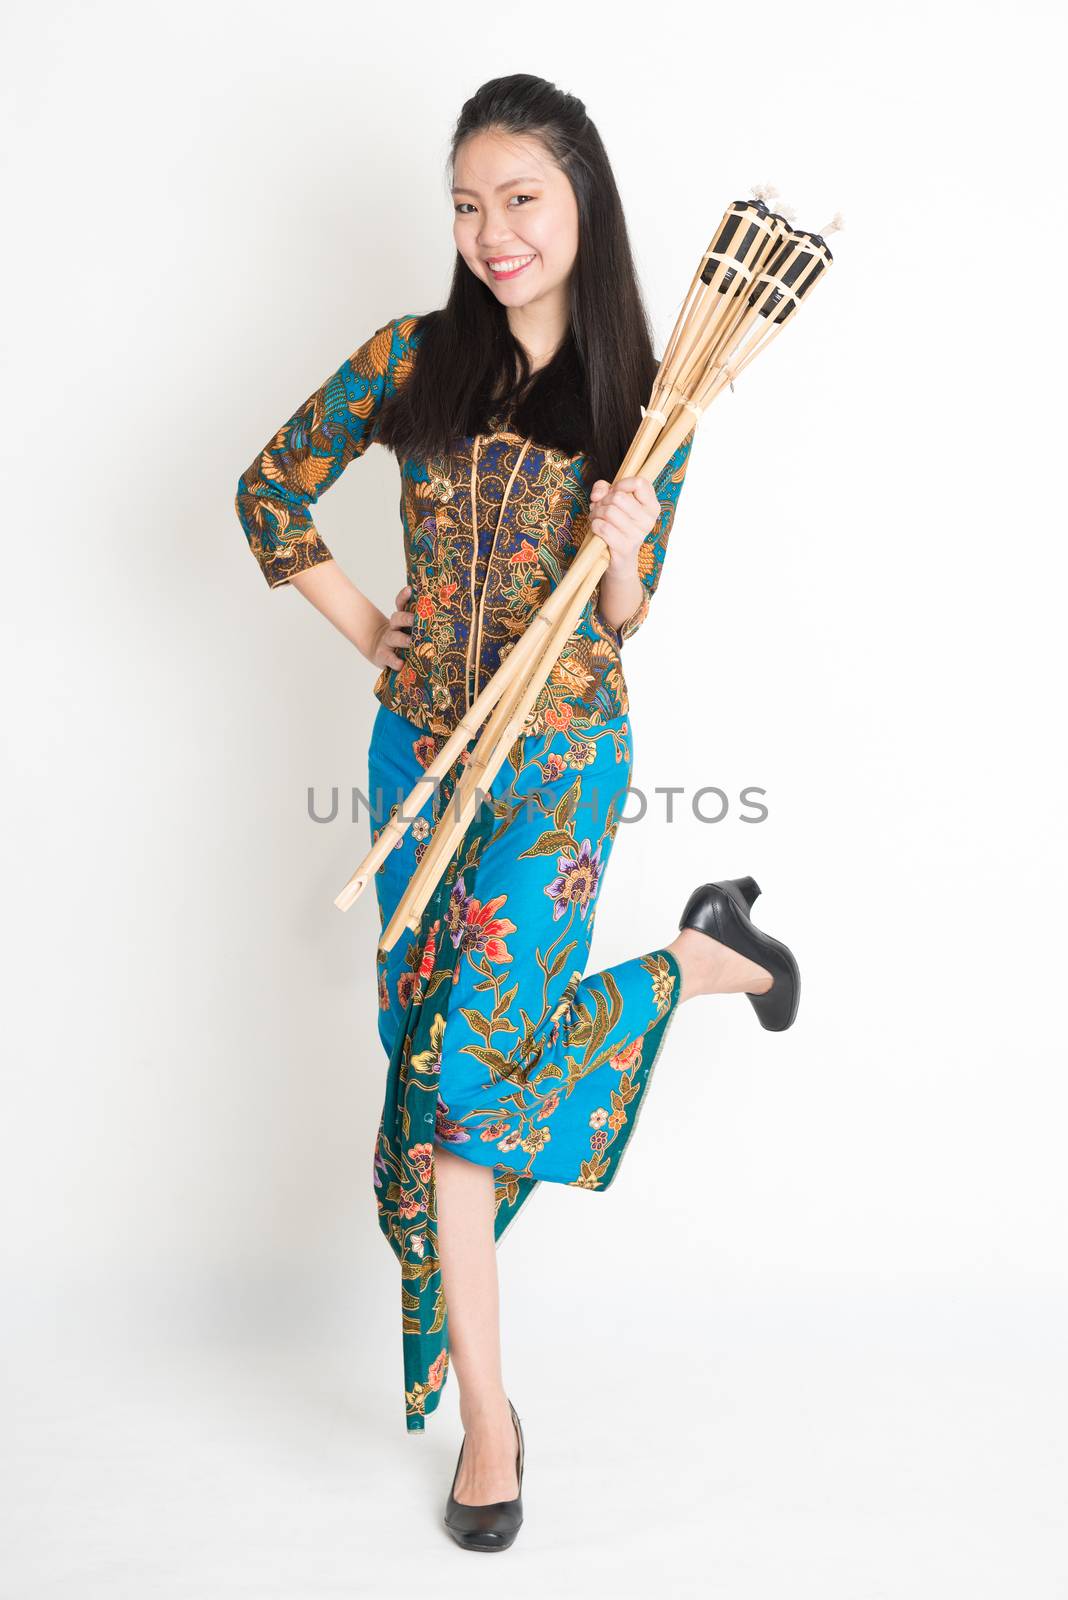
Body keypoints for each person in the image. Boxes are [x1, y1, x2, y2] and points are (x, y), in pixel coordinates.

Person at [235, 73, 800, 1554]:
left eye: (521, 199)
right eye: (469, 207)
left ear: (582, 202)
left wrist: (619, 543)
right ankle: (706, 957)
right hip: (414, 764)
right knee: (428, 1092)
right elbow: (268, 494)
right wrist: (378, 638)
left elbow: (626, 614)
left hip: (558, 770)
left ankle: (492, 1420)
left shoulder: (650, 392)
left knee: (467, 1107)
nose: (494, 233)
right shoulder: (408, 361)